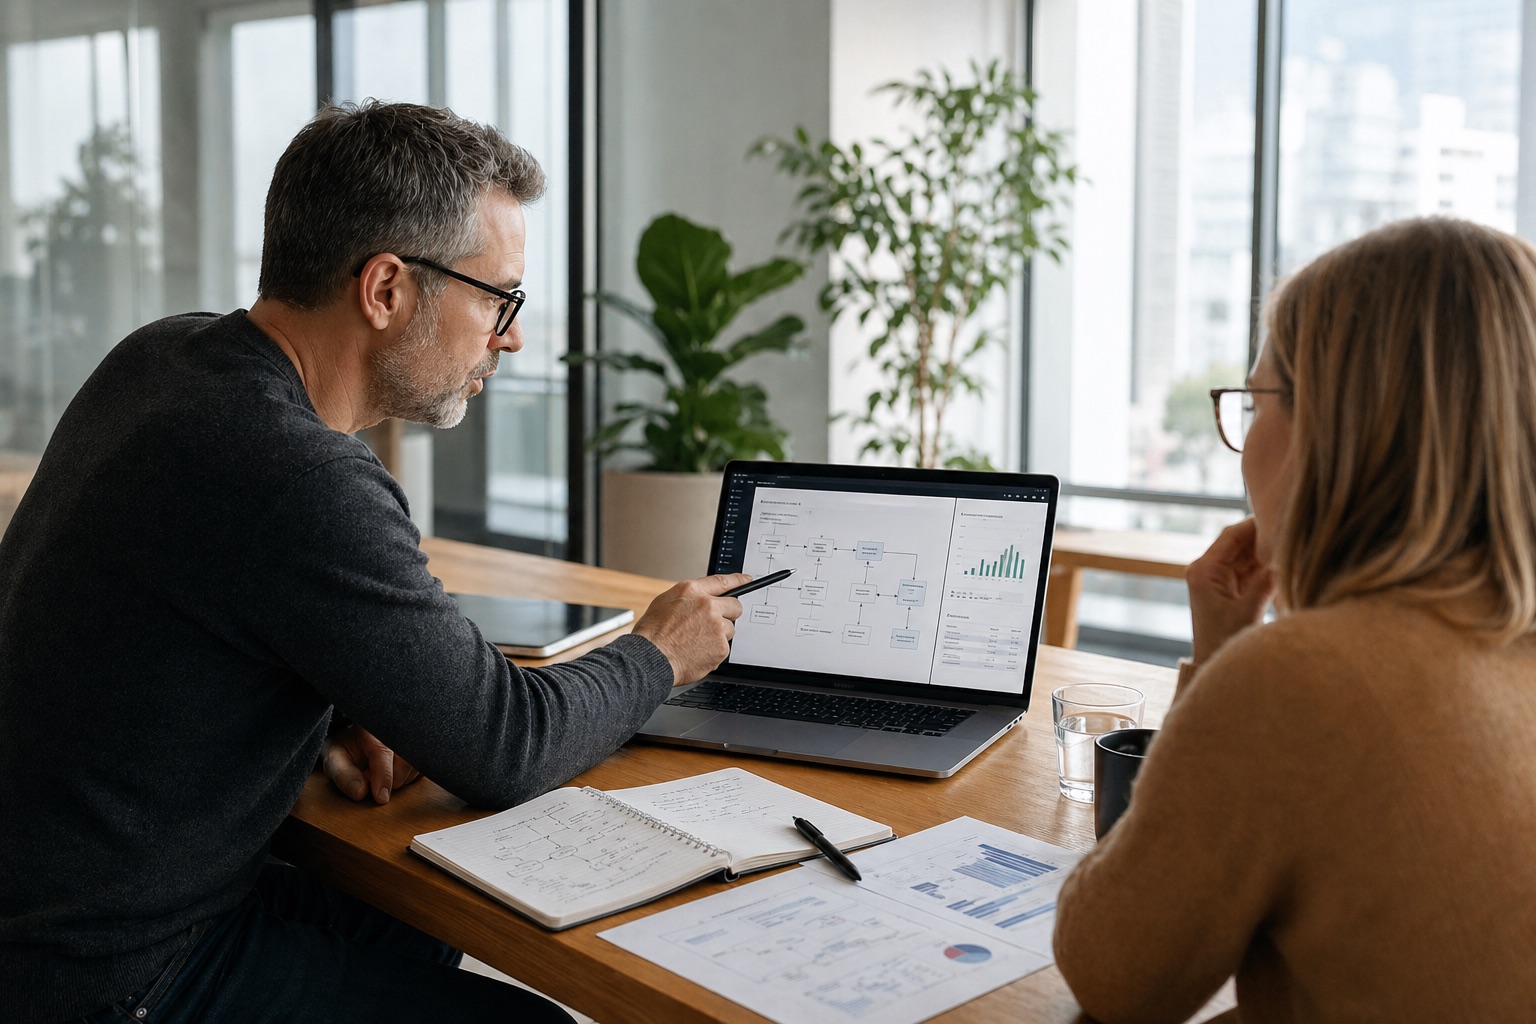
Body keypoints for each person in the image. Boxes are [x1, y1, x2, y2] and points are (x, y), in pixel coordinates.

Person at [0, 101, 749, 1024]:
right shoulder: (297, 472)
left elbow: (167, 626)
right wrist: (660, 651)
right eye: (498, 298)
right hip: (102, 973)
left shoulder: (164, 356)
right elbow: (506, 744)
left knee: (419, 920)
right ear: (386, 289)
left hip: (54, 904)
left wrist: (337, 699)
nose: (510, 337)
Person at [1052, 216, 1536, 1021]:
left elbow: (1113, 974)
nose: (1243, 448)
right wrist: (1224, 657)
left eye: (1254, 401)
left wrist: (1229, 673)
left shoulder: (1307, 679)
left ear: (1336, 428)